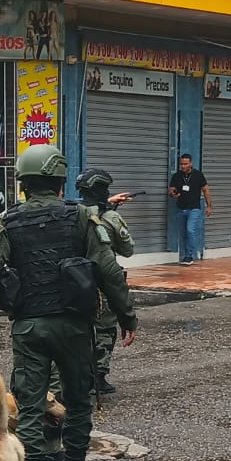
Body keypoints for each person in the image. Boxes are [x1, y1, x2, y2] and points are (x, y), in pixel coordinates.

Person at [0, 144, 137, 461]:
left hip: (29, 328)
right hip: (73, 327)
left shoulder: (7, 221)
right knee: (79, 402)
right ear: (58, 180)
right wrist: (127, 315)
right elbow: (109, 270)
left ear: (23, 183)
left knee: (31, 409)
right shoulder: (82, 217)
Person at [75, 168, 137, 395]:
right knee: (105, 327)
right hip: (102, 281)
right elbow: (128, 249)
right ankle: (98, 376)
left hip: (72, 282)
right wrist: (111, 213)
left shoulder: (70, 211)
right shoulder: (110, 218)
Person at [168, 154, 212, 266]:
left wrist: (209, 206)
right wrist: (173, 194)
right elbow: (171, 190)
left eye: (185, 164)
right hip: (181, 208)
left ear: (191, 163)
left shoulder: (198, 175)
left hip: (194, 208)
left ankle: (189, 255)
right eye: (181, 164)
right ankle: (185, 255)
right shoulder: (177, 176)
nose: (183, 166)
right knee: (183, 233)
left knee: (190, 230)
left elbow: (206, 190)